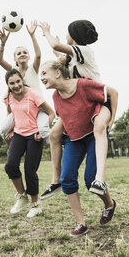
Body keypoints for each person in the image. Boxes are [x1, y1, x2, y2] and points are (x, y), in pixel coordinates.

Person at [39, 20, 116, 199]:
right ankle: (56, 181)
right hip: (81, 104)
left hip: (97, 100)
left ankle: (99, 178)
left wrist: (47, 33)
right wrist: (55, 51)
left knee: (98, 129)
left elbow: (56, 45)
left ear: (73, 35)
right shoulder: (74, 57)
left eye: (68, 32)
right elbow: (59, 58)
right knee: (54, 135)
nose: (65, 36)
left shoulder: (85, 51)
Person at [40, 60, 118, 236]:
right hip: (74, 140)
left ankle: (109, 204)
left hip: (93, 136)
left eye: (44, 73)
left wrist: (110, 119)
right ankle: (80, 223)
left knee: (91, 179)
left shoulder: (83, 86)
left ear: (58, 72)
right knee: (66, 178)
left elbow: (113, 93)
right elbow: (67, 119)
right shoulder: (55, 98)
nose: (41, 77)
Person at [4, 68, 55, 217]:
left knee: (29, 170)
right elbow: (10, 114)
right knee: (10, 165)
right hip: (18, 134)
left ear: (22, 80)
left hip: (34, 135)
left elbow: (51, 112)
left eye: (18, 81)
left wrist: (44, 130)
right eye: (12, 83)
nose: (16, 85)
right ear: (8, 85)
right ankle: (22, 196)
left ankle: (35, 204)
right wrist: (10, 129)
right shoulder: (9, 96)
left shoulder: (33, 94)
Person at [0, 21, 49, 142]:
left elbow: (39, 55)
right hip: (20, 108)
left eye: (25, 52)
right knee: (4, 130)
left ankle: (49, 146)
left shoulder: (33, 69)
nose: (22, 54)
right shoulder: (13, 71)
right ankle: (12, 152)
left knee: (43, 131)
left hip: (37, 106)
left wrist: (32, 35)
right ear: (14, 59)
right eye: (18, 53)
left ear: (29, 57)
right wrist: (2, 44)